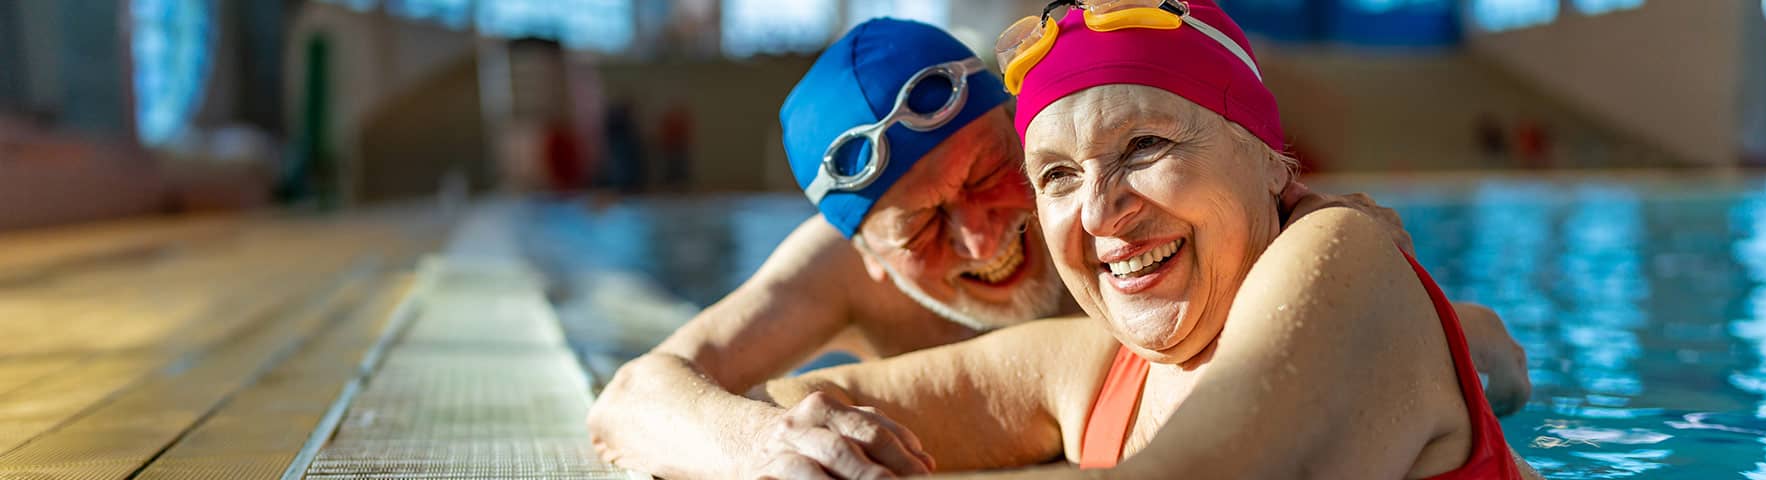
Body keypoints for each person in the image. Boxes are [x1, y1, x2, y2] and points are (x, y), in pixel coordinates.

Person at [586, 17, 1531, 479]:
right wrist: (757, 446)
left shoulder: (1337, 252)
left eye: (1147, 147)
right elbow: (644, 401)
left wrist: (1444, 324)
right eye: (1058, 175)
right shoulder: (1082, 363)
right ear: (867, 259)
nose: (988, 231)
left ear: (1276, 167)